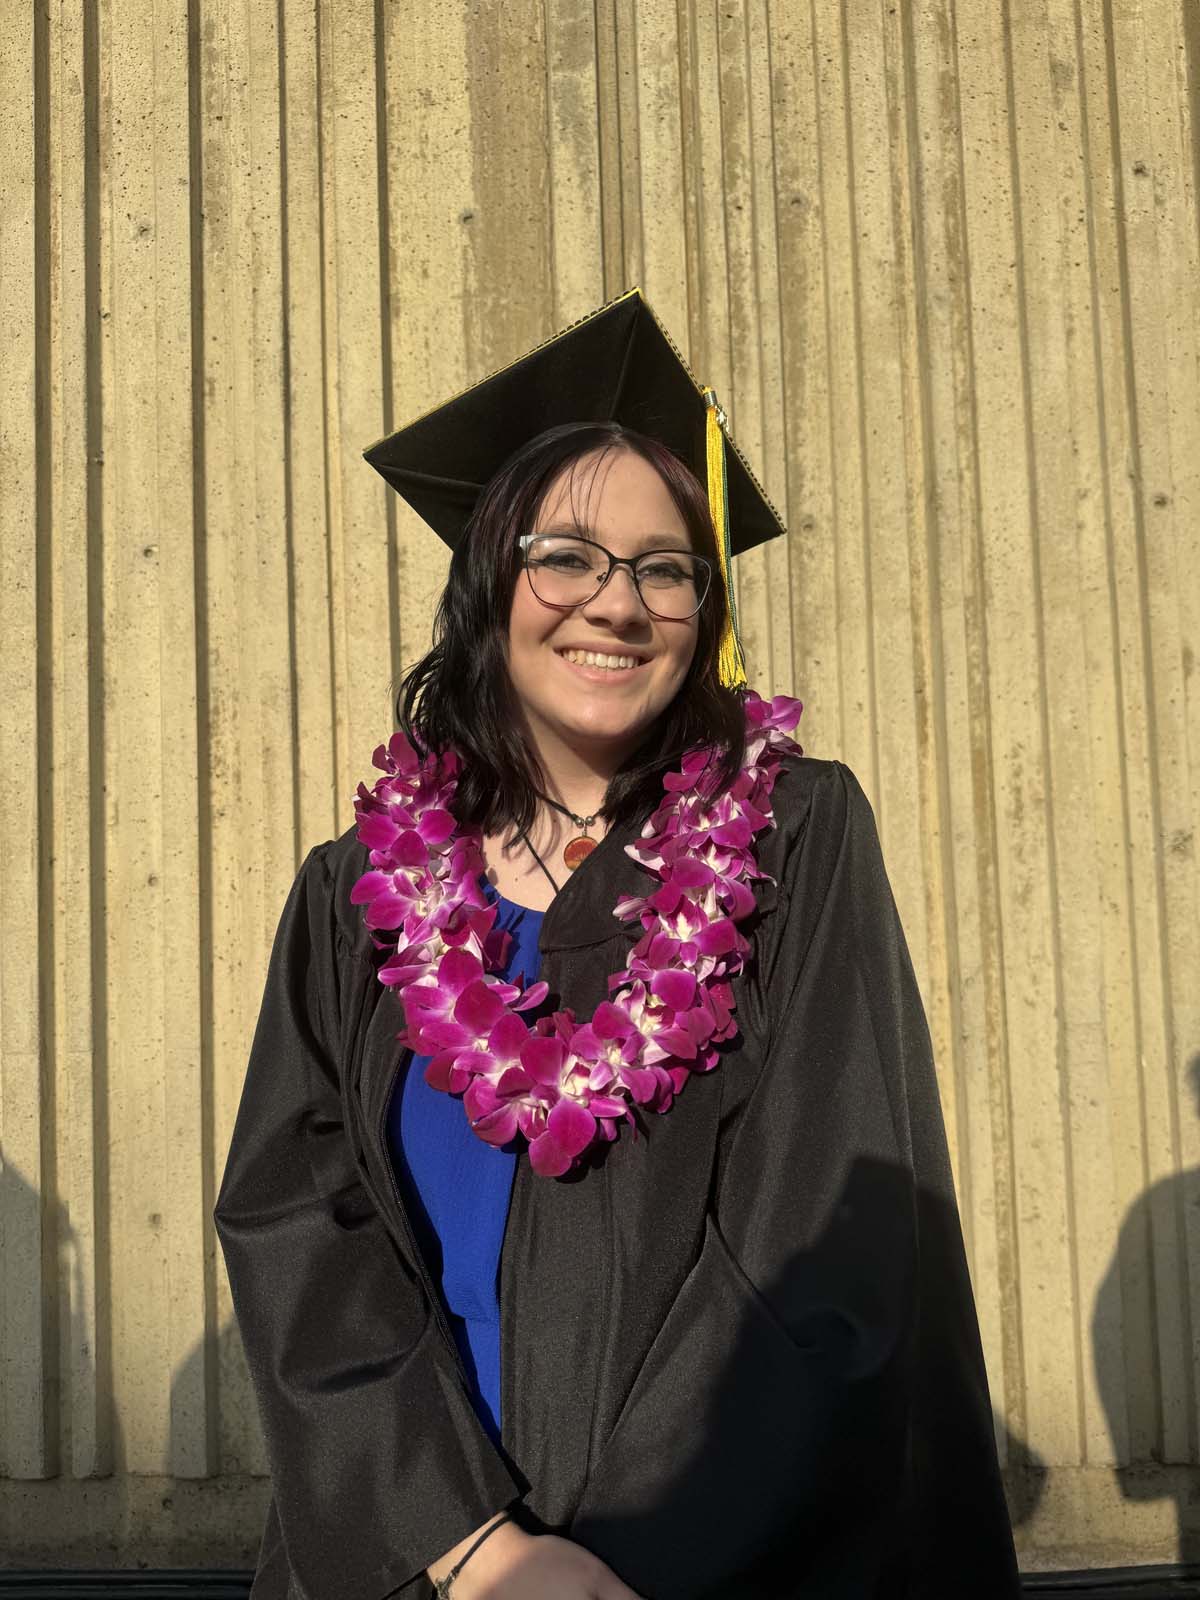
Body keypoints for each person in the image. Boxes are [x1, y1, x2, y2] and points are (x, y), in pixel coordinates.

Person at [214, 289, 1020, 1599]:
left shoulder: (793, 841)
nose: (619, 602)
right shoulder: (353, 892)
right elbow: (299, 1222)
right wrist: (477, 1550)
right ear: (491, 578)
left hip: (705, 1563)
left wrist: (602, 1569)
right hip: (410, 1561)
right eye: (568, 554)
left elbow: (819, 1228)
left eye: (665, 566)